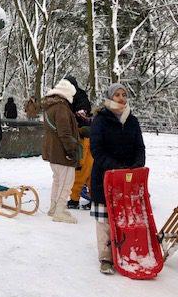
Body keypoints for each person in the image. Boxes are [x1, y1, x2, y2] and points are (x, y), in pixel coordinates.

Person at [90, 83, 145, 275]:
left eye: (124, 94)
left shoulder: (132, 121)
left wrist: (137, 165)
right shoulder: (100, 120)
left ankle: (124, 251)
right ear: (110, 98)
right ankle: (106, 257)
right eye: (117, 95)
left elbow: (140, 147)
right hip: (105, 176)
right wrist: (115, 167)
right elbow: (97, 150)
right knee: (105, 219)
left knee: (126, 216)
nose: (121, 98)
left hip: (128, 178)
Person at [42, 78, 81, 224]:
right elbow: (64, 132)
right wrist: (71, 150)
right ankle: (59, 211)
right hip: (62, 152)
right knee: (66, 183)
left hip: (53, 151)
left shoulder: (50, 106)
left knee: (58, 181)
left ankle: (54, 208)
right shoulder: (61, 108)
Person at [65, 76, 94, 210]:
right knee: (89, 169)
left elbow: (82, 112)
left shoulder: (78, 96)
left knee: (81, 169)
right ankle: (93, 198)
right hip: (86, 137)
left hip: (82, 138)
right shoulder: (75, 96)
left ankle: (74, 199)